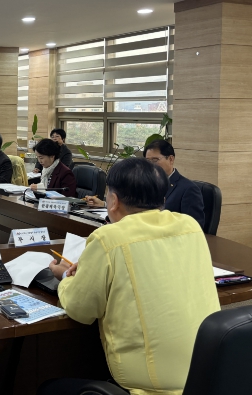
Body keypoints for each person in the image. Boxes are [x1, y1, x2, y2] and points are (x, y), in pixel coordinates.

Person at [41, 158, 219, 395]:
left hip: (150, 386)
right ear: (162, 199)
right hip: (206, 375)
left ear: (113, 200)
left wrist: (66, 277)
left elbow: (80, 309)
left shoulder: (109, 238)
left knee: (49, 388)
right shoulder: (190, 226)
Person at [86, 140, 206, 228]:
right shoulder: (144, 183)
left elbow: (195, 226)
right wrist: (105, 204)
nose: (151, 165)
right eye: (148, 161)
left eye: (155, 160)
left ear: (171, 159)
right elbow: (135, 208)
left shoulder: (188, 189)